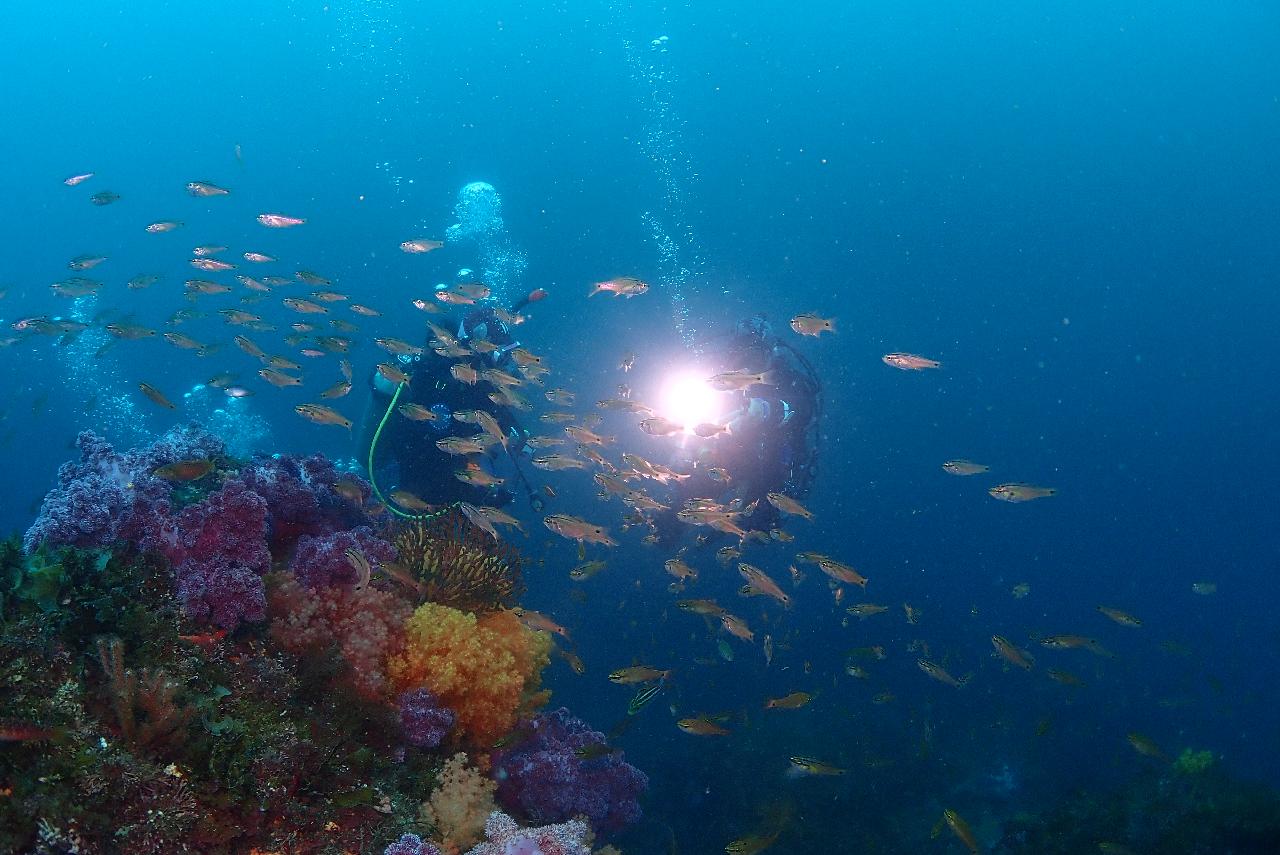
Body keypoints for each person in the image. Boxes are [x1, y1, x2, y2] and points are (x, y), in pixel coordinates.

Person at [357, 279, 546, 513]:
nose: (500, 362)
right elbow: (431, 452)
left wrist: (515, 434)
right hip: (417, 489)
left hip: (436, 476)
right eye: (494, 352)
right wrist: (480, 496)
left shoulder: (471, 380)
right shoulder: (440, 378)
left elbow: (494, 412)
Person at [659, 314, 821, 538]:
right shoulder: (715, 378)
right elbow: (687, 427)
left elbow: (802, 409)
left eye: (756, 351)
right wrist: (683, 449)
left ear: (769, 353)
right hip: (722, 458)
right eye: (741, 350)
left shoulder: (787, 379)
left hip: (768, 466)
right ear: (732, 350)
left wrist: (768, 410)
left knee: (758, 529)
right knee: (677, 514)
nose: (748, 360)